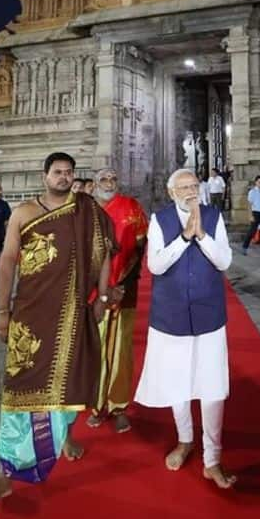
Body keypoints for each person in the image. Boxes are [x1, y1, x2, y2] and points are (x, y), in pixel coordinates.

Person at [0, 152, 118, 506]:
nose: (64, 178)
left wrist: (102, 295)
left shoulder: (87, 211)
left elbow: (105, 251)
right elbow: (7, 260)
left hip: (73, 315)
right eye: (57, 173)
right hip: (31, 315)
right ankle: (5, 473)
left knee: (70, 382)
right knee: (19, 390)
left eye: (69, 173)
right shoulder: (23, 213)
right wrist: (3, 310)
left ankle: (62, 437)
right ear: (44, 176)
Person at [134, 169, 237, 489]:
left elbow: (224, 262)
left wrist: (202, 234)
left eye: (194, 186)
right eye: (184, 187)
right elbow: (156, 265)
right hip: (171, 314)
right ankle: (185, 439)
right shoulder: (159, 220)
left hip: (208, 312)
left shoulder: (213, 216)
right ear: (171, 191)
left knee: (211, 388)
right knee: (177, 382)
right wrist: (184, 237)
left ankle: (212, 458)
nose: (190, 191)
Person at [87, 169, 149, 433]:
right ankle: (95, 404)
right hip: (91, 293)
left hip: (124, 288)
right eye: (104, 179)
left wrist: (122, 283)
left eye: (113, 179)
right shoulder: (84, 212)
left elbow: (140, 245)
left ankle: (119, 406)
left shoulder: (131, 207)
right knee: (94, 348)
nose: (109, 183)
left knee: (122, 349)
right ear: (95, 184)